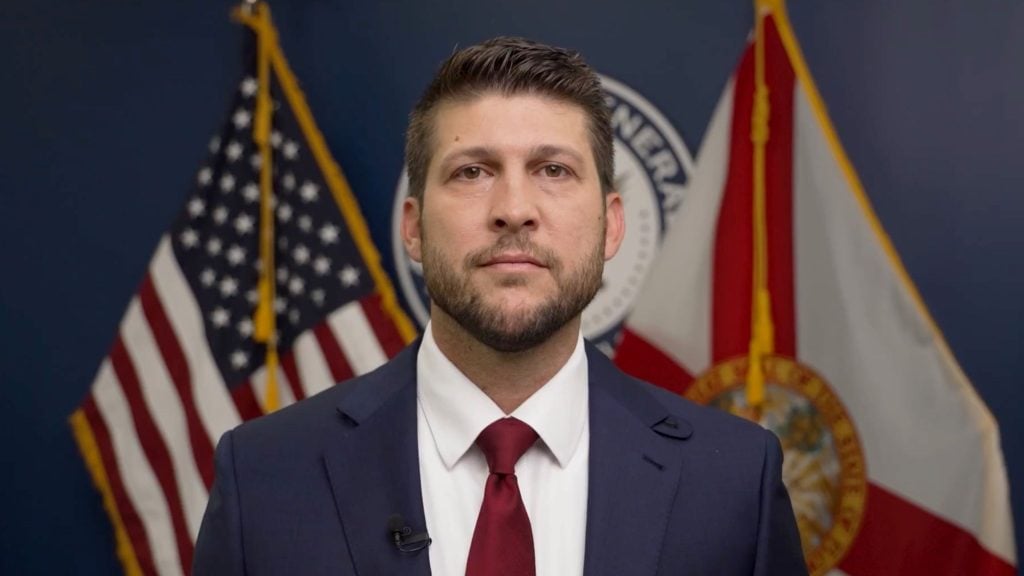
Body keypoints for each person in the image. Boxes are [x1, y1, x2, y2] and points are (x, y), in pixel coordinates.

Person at [193, 36, 807, 576]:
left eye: (553, 170)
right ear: (413, 228)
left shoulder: (733, 484)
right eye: (472, 172)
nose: (514, 209)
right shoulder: (266, 478)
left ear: (612, 225)